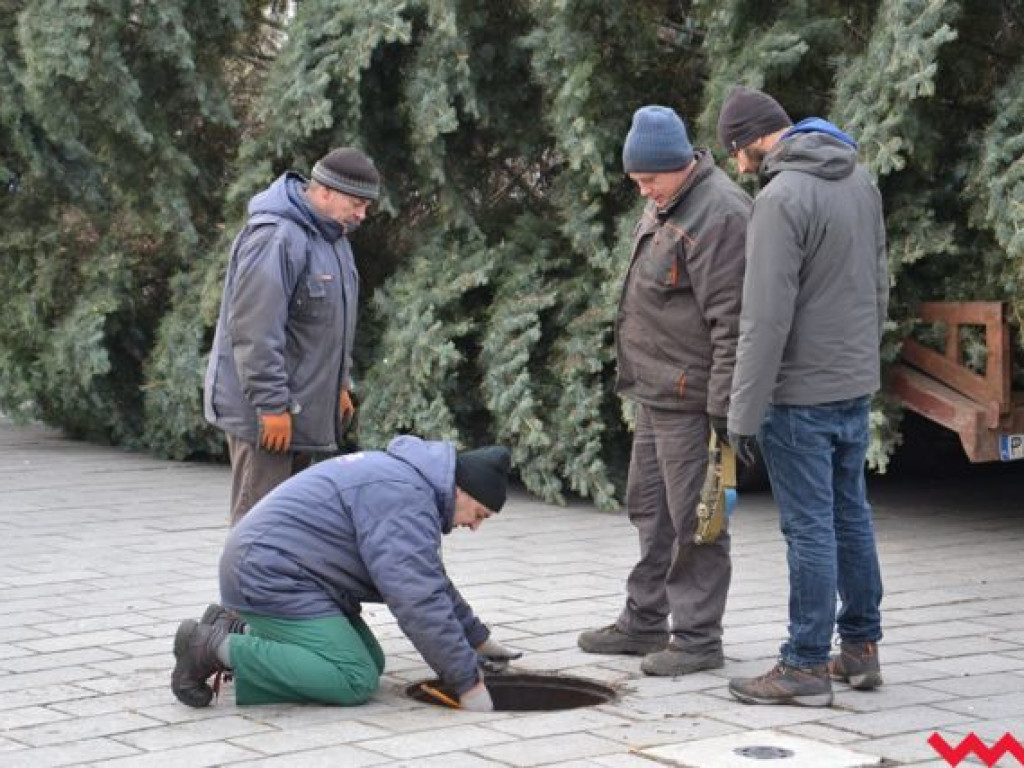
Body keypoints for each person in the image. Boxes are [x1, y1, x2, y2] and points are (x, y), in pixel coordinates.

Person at [717, 86, 888, 706]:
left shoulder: (782, 196)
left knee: (810, 528)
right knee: (852, 515)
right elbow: (879, 284)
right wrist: (862, 366)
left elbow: (764, 317)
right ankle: (862, 649)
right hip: (851, 383)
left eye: (736, 151)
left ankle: (805, 665)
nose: (738, 165)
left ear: (754, 140)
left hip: (799, 396)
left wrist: (742, 411)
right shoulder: (859, 181)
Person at [577, 106, 750, 676]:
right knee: (650, 511)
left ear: (680, 164)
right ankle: (644, 620)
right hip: (656, 392)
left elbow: (734, 321)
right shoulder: (668, 201)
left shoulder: (720, 214)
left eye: (649, 179)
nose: (643, 190)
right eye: (637, 181)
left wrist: (724, 407)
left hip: (697, 399)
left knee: (700, 519)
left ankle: (699, 638)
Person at [171, 437, 520, 711]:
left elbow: (428, 581)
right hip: (267, 574)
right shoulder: (405, 499)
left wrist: (478, 639)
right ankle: (213, 647)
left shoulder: (410, 485)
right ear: (461, 490)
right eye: (480, 514)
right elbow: (418, 601)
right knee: (353, 678)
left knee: (372, 661)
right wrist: (468, 685)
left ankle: (234, 628)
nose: (474, 526)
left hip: (290, 573)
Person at [204, 147, 379, 525]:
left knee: (290, 530)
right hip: (269, 419)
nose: (362, 215)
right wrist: (271, 406)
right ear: (325, 192)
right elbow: (254, 329)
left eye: (367, 206)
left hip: (302, 413)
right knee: (258, 529)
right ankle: (247, 588)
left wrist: (340, 384)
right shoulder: (276, 237)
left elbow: (333, 323)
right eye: (356, 204)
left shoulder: (333, 238)